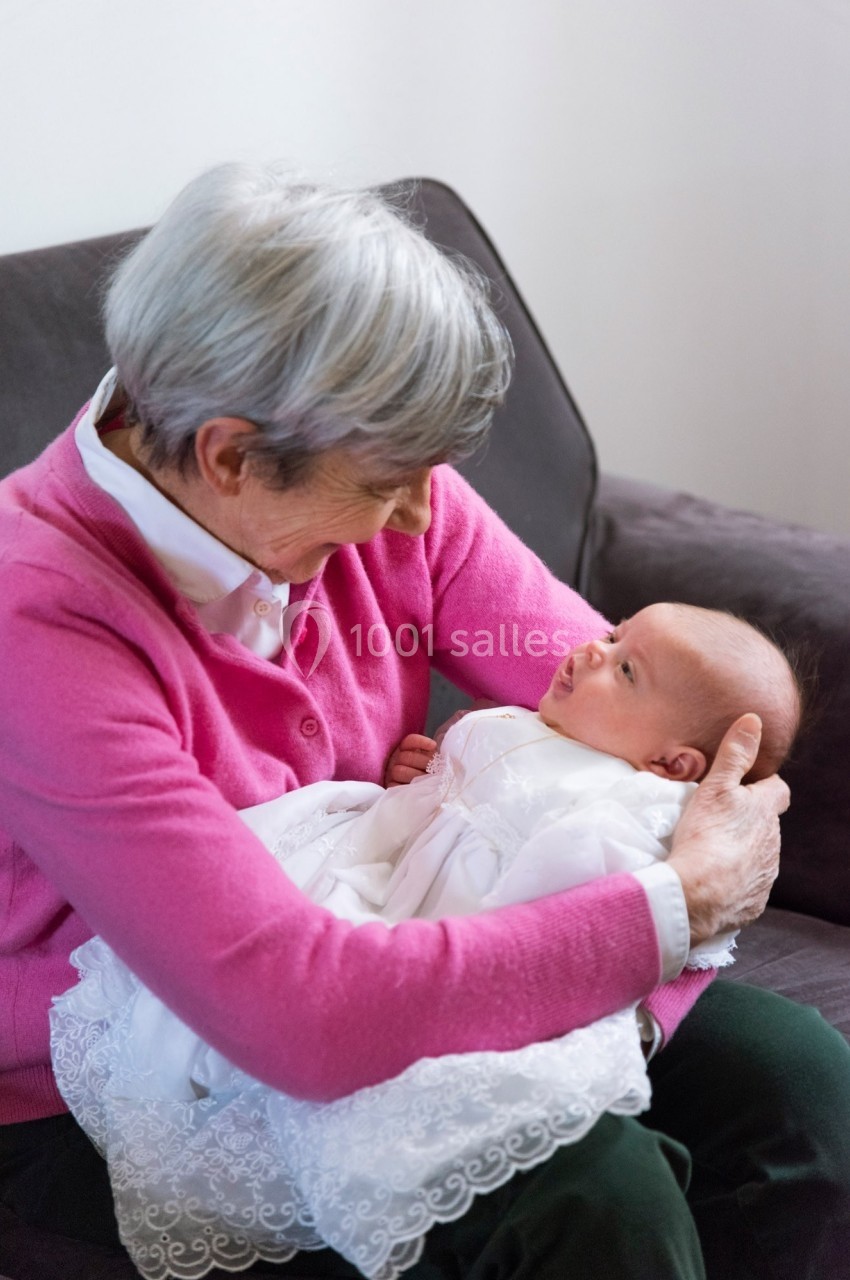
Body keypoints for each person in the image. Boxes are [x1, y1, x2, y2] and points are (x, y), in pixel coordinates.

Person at [0, 161, 847, 1280]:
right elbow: (299, 1012)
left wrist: (648, 966)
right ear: (230, 456)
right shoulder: (38, 624)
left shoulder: (374, 477)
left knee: (803, 1083)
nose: (419, 514)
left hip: (407, 942)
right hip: (145, 1066)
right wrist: (670, 910)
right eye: (385, 483)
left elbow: (665, 751)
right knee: (590, 1193)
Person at [49, 603, 802, 1280]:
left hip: (501, 982)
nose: (588, 648)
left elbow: (614, 918)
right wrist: (435, 781)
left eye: (624, 665)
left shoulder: (637, 811)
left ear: (674, 766)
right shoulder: (567, 725)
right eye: (611, 634)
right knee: (605, 1190)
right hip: (364, 938)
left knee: (799, 1075)